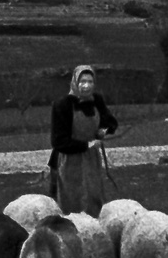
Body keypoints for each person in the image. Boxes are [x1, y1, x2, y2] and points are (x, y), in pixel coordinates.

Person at [49, 64, 119, 215]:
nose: (86, 86)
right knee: (72, 200)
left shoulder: (96, 100)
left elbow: (111, 122)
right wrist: (86, 144)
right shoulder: (62, 105)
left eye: (90, 82)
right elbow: (58, 141)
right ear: (75, 82)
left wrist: (104, 130)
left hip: (91, 159)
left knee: (94, 197)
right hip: (69, 160)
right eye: (82, 82)